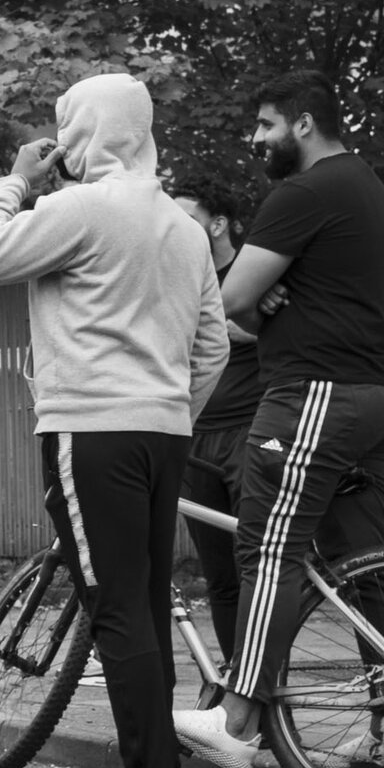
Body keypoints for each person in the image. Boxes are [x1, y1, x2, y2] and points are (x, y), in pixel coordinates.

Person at [0, 72, 226, 768]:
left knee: (114, 605)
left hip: (91, 430)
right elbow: (212, 348)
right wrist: (169, 409)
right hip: (165, 432)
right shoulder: (183, 228)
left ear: (81, 134)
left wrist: (15, 178)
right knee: (140, 602)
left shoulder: (76, 210)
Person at [174, 70, 384, 768]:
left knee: (267, 548)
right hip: (380, 400)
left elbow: (229, 301)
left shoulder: (303, 192)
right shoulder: (369, 189)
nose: (256, 139)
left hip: (316, 391)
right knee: (371, 569)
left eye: (267, 124)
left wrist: (257, 298)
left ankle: (236, 717)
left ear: (304, 123)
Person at [166, 177, 261, 663]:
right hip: (194, 439)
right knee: (219, 577)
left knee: (258, 573)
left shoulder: (257, 275)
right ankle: (234, 690)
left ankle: (262, 690)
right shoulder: (176, 281)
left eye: (185, 219)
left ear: (218, 225)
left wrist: (254, 333)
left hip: (251, 435)